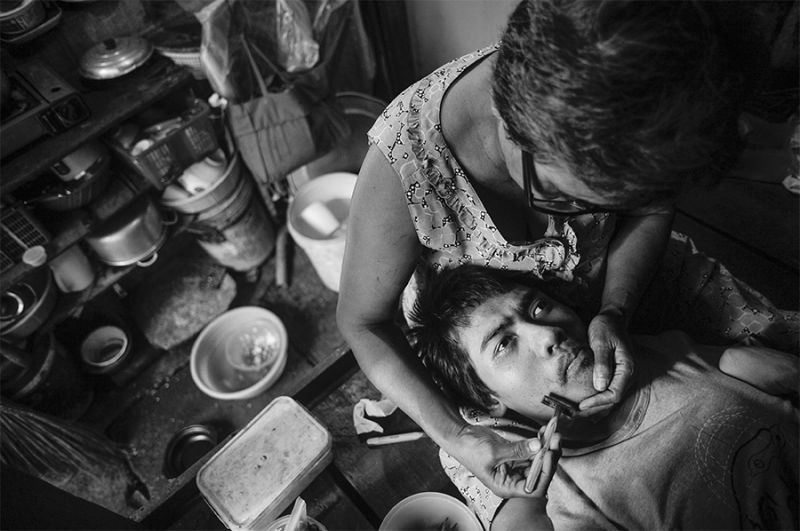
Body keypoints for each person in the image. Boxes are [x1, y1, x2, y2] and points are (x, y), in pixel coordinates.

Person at [336, 0, 799, 499]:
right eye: (566, 199)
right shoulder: (406, 162)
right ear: (507, 124)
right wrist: (460, 436)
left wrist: (616, 308)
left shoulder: (642, 105)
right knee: (528, 491)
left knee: (775, 353)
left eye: (614, 202)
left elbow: (650, 210)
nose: (579, 217)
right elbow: (362, 323)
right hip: (490, 365)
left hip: (630, 277)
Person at [407, 264, 799, 530]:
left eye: (539, 307)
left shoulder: (657, 353)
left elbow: (774, 372)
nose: (548, 333)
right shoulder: (565, 495)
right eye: (504, 344)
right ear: (489, 400)